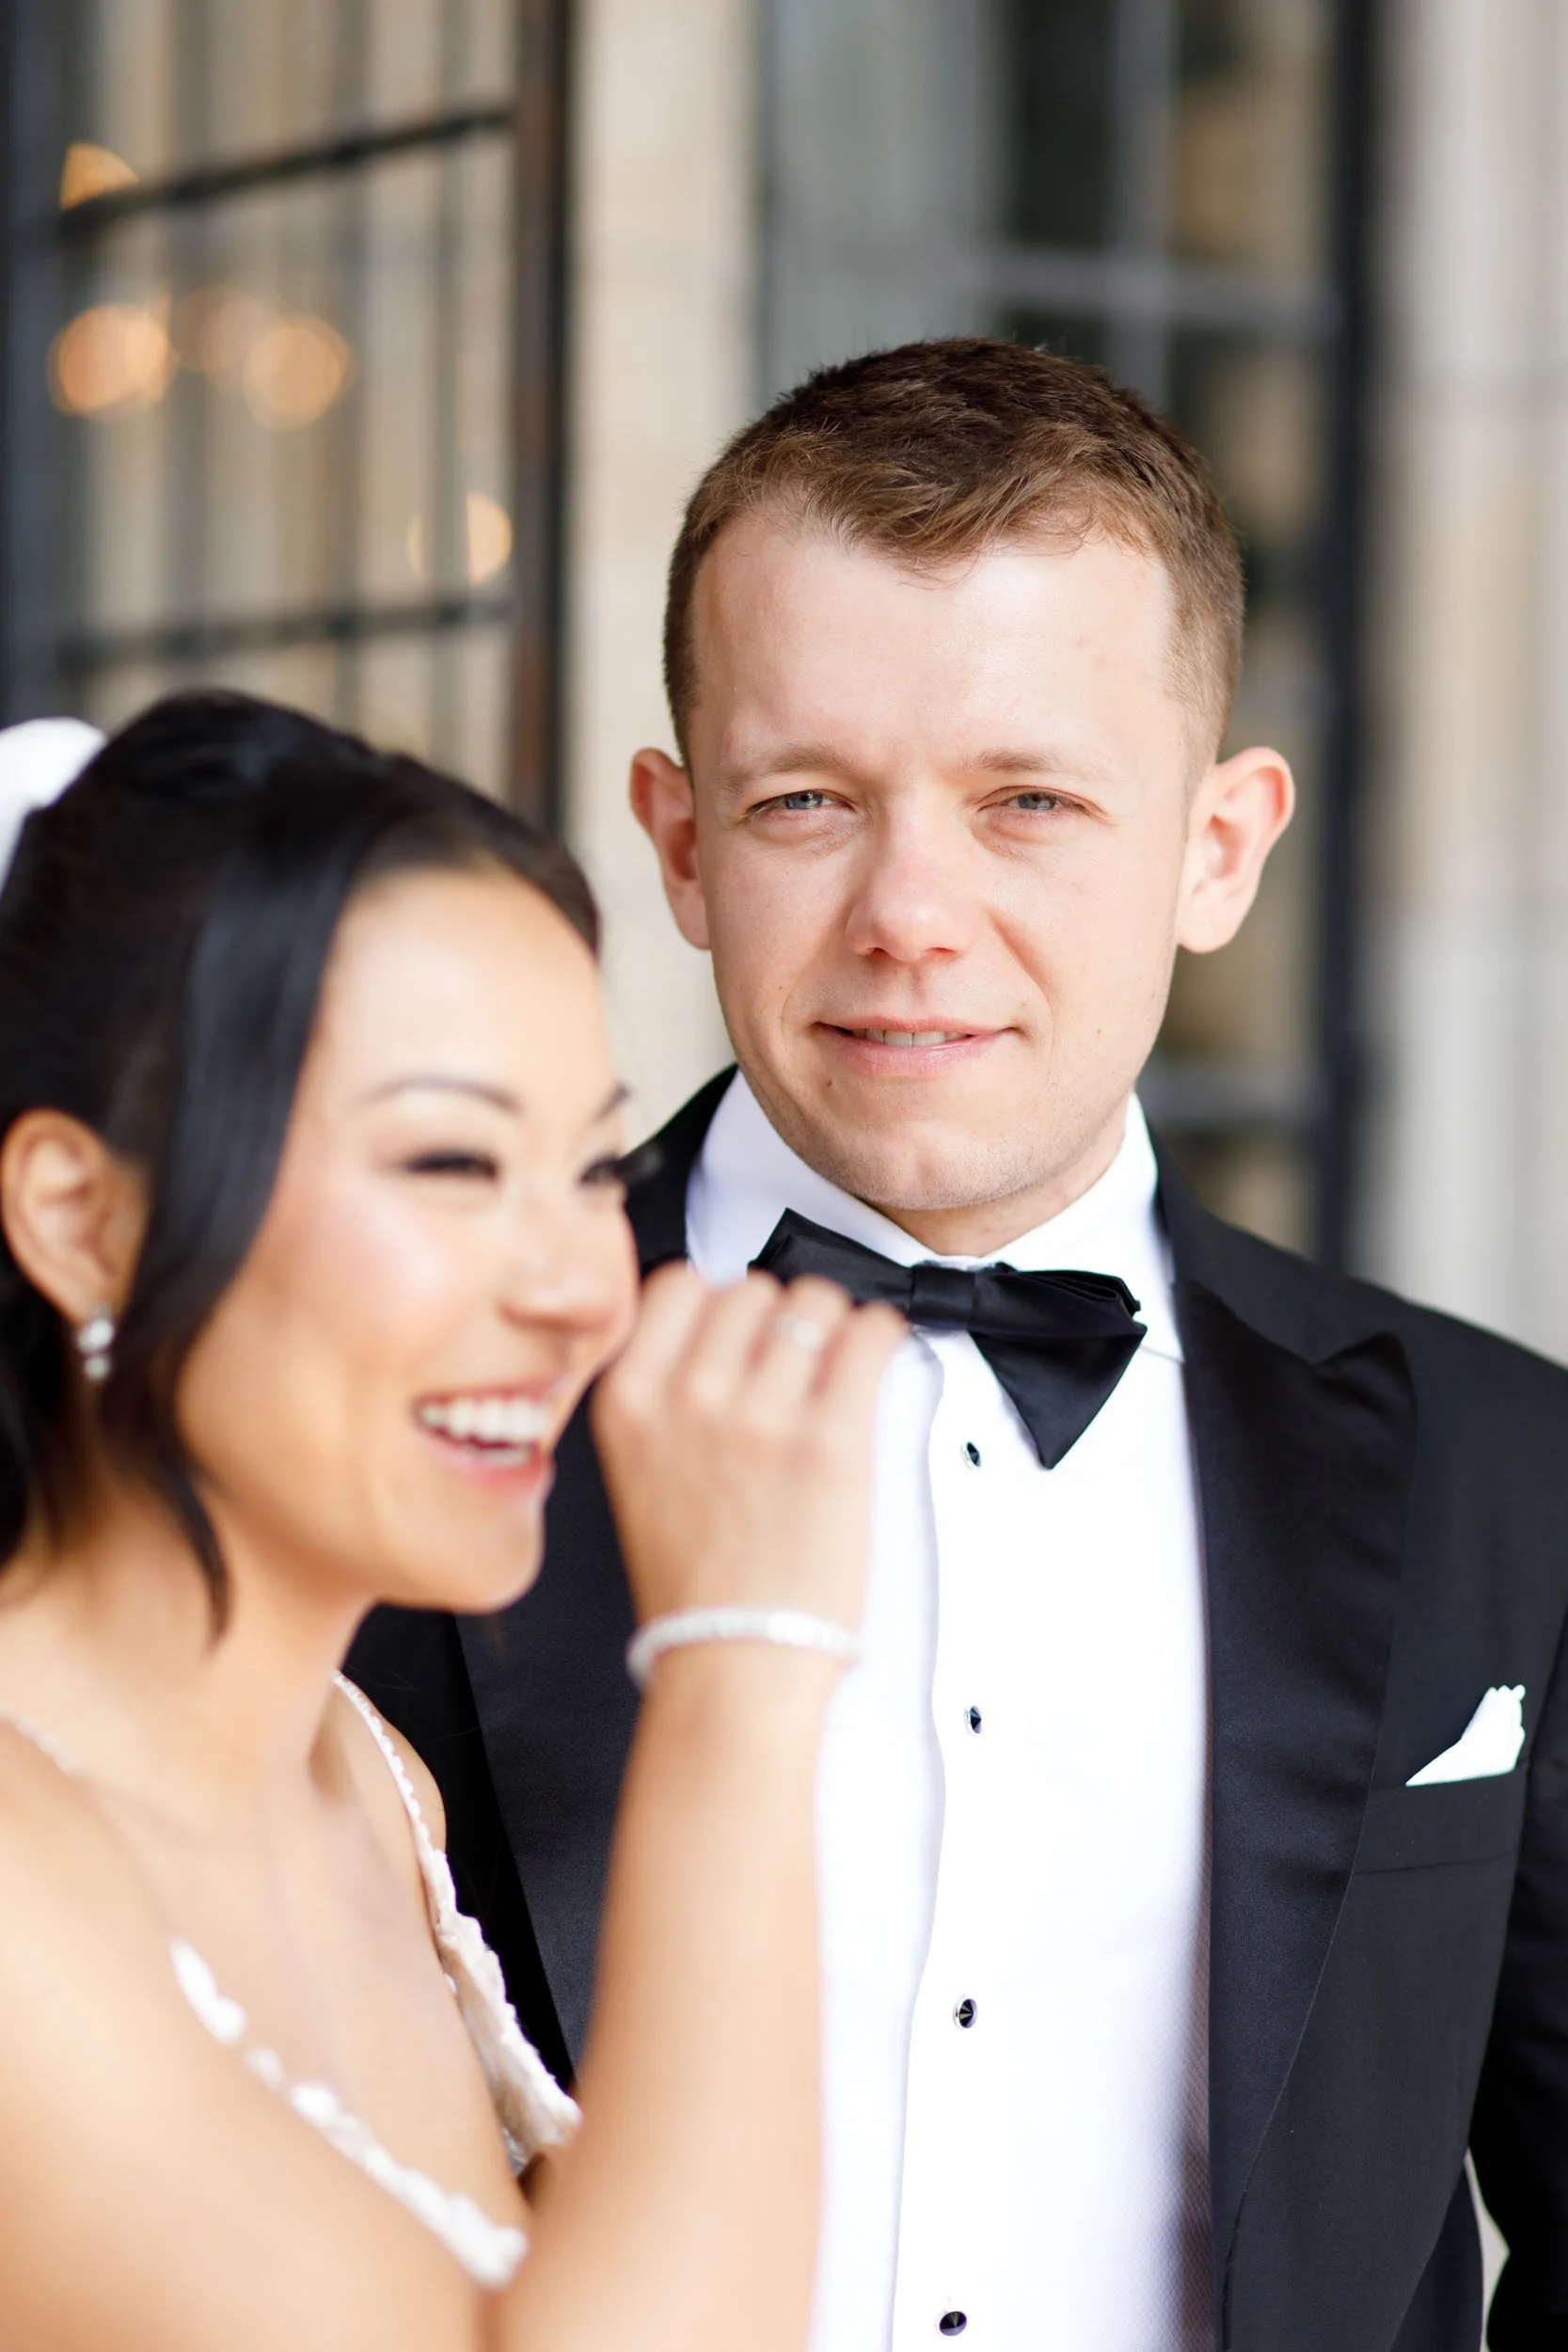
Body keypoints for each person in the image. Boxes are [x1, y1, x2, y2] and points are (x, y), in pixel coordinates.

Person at [352, 337, 1568, 2352]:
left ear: (1216, 848)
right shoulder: (391, 1398)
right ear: (679, 841)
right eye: (807, 801)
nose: (909, 912)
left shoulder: (1504, 1468)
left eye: (1027, 802)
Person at [0, 688, 902, 2352]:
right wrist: (740, 1668)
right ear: (80, 1217)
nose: (578, 1287)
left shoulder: (367, 1781)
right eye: (450, 1166)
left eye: (590, 1173)